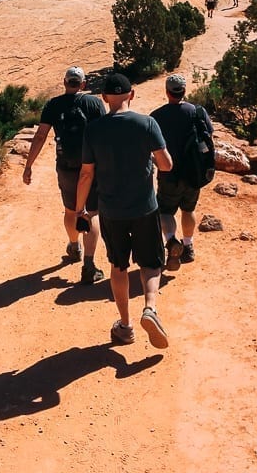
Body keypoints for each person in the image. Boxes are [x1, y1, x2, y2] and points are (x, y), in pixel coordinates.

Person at [75, 73, 173, 348]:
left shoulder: (93, 130)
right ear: (132, 95)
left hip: (110, 210)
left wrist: (79, 209)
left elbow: (86, 175)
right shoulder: (147, 124)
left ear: (104, 98)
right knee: (151, 262)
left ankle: (126, 326)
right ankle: (150, 308)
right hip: (145, 207)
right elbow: (166, 165)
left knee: (118, 266)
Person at [23, 66, 106, 284]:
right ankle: (89, 264)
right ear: (83, 84)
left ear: (64, 82)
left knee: (71, 209)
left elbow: (41, 135)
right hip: (91, 166)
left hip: (66, 165)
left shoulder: (53, 104)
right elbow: (104, 134)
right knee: (92, 211)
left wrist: (28, 165)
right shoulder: (94, 103)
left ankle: (74, 245)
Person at [150, 74, 213, 269]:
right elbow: (209, 134)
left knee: (166, 211)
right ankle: (188, 246)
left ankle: (170, 241)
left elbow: (150, 146)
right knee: (189, 209)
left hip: (169, 172)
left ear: (167, 91)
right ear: (184, 91)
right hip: (194, 171)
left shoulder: (157, 116)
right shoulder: (197, 112)